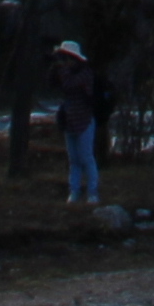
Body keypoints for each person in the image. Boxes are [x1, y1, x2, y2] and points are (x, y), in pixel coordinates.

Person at [47, 36, 103, 205]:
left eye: (66, 58)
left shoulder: (85, 74)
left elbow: (69, 85)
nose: (64, 61)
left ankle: (93, 193)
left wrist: (61, 69)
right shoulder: (66, 73)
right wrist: (54, 68)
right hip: (70, 121)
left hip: (84, 120)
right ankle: (74, 192)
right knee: (74, 160)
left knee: (87, 158)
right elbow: (52, 84)